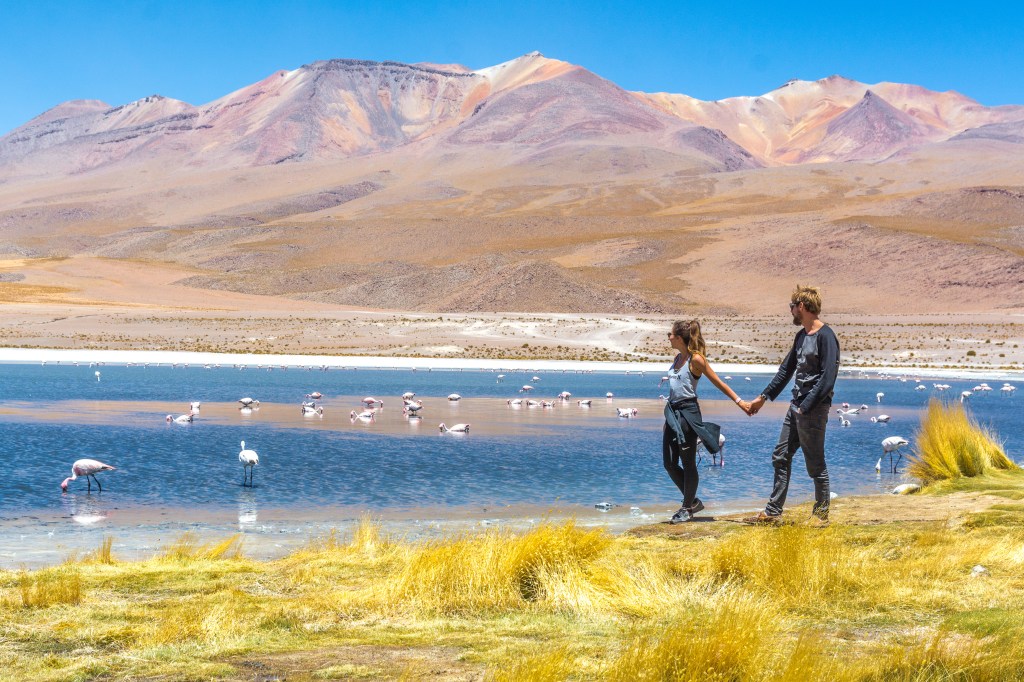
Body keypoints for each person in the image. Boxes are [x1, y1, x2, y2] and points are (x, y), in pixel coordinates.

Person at [743, 285, 840, 526]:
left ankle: (821, 515)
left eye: (792, 307)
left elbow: (827, 378)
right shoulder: (801, 336)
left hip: (812, 409)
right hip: (797, 406)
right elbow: (786, 371)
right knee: (781, 455)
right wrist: (762, 398)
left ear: (803, 307)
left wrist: (806, 406)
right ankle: (773, 511)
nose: (791, 311)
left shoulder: (826, 337)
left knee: (815, 463)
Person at [663, 320, 751, 523]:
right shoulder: (677, 358)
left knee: (688, 462)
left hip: (688, 413)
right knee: (669, 463)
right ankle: (692, 501)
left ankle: (686, 508)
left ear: (678, 337)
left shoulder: (696, 360)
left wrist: (740, 403)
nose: (668, 337)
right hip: (672, 413)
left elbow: (719, 383)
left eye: (671, 334)